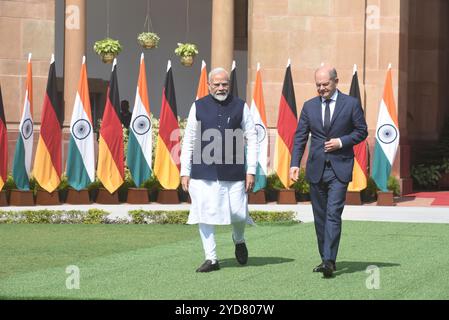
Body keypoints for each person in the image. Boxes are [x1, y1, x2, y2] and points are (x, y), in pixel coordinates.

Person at [289, 65, 368, 278]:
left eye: (325, 84)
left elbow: (362, 131)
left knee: (333, 213)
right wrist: (294, 163)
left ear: (335, 81)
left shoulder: (350, 104)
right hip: (316, 168)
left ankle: (329, 261)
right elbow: (300, 137)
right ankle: (325, 257)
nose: (322, 88)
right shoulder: (309, 106)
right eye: (318, 85)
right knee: (320, 216)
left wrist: (341, 142)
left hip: (339, 169)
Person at [180, 67, 257, 273]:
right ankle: (211, 258)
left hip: (234, 170)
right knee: (204, 214)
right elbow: (189, 139)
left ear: (229, 85)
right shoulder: (198, 106)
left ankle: (239, 240)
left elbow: (252, 138)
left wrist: (251, 170)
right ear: (209, 85)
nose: (221, 88)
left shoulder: (241, 106)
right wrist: (185, 171)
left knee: (238, 214)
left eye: (225, 84)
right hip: (202, 171)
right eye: (217, 84)